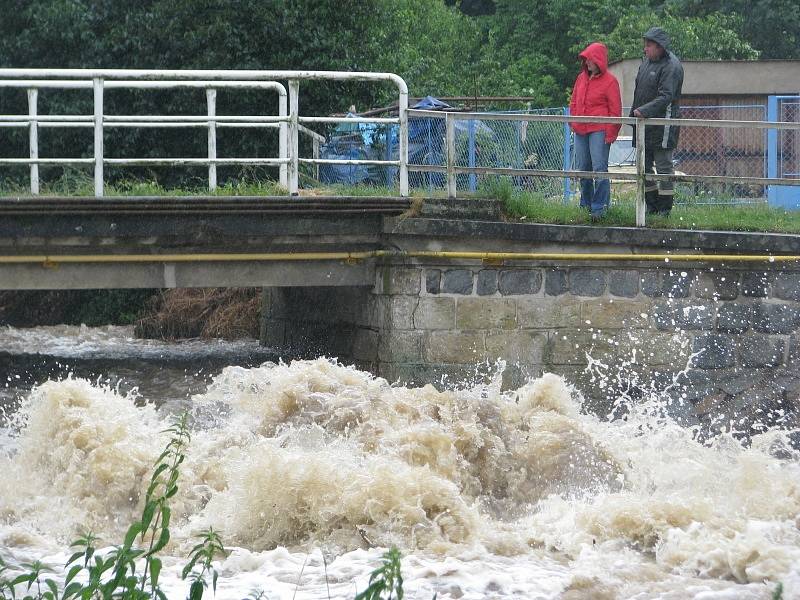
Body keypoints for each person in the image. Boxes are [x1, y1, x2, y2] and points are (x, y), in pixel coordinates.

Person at [630, 26, 684, 216]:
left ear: (660, 47)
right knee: (644, 167)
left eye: (649, 45)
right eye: (645, 45)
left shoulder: (672, 65)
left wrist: (643, 111)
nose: (645, 49)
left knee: (663, 167)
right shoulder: (645, 63)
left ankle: (665, 209)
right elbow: (638, 93)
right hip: (643, 124)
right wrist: (633, 117)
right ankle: (651, 205)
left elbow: (666, 96)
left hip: (664, 125)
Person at [569, 41, 622, 220]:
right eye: (585, 59)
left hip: (599, 129)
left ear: (599, 60)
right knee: (583, 169)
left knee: (599, 169)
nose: (587, 62)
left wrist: (611, 133)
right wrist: (572, 121)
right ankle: (586, 205)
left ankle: (599, 208)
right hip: (580, 129)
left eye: (590, 59)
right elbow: (574, 101)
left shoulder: (610, 82)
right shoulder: (580, 78)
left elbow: (615, 110)